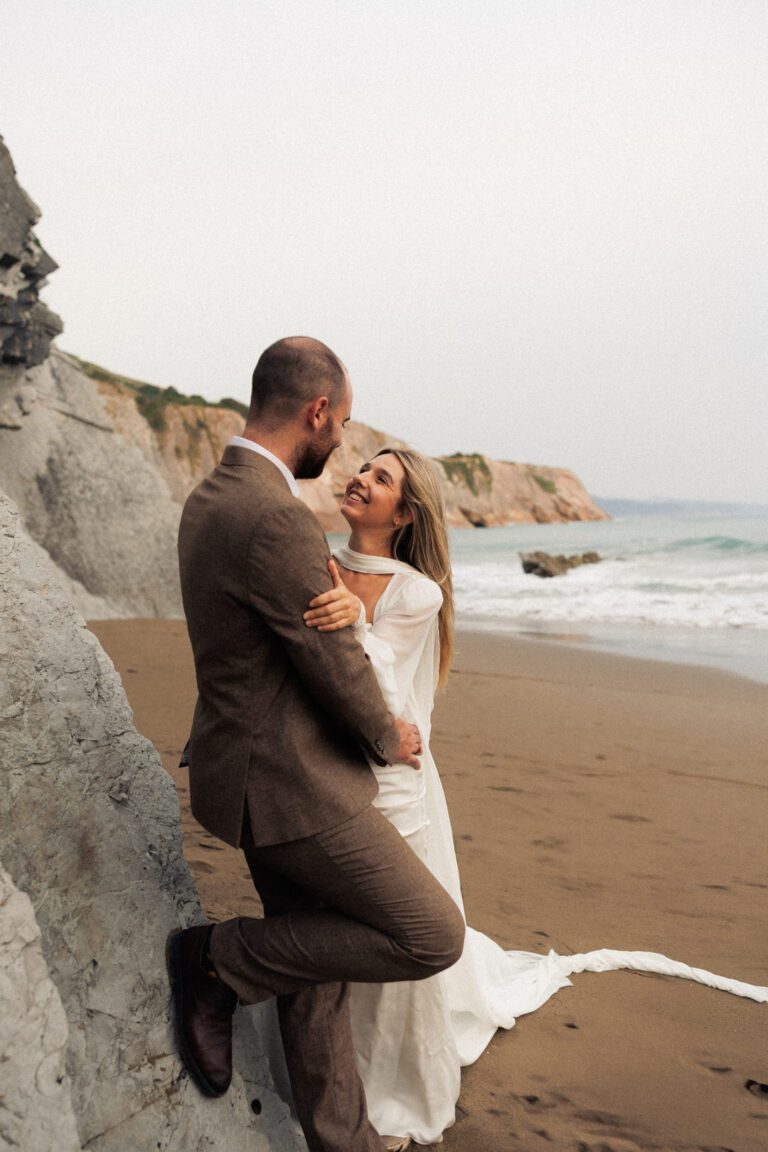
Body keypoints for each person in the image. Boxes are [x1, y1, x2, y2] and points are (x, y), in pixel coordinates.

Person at [303, 445, 768, 1149]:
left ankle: (388, 1084)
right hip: (330, 768)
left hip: (392, 776)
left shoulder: (416, 592)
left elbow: (387, 697)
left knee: (399, 928)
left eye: (382, 477)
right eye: (363, 467)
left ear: (406, 511)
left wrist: (352, 620)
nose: (361, 478)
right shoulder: (320, 562)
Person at [168, 338, 465, 1152]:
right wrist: (385, 735)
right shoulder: (275, 518)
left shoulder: (209, 497)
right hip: (291, 782)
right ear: (318, 412)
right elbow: (329, 661)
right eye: (342, 428)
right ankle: (217, 959)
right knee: (430, 934)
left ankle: (344, 1143)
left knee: (315, 966)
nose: (344, 452)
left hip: (245, 765)